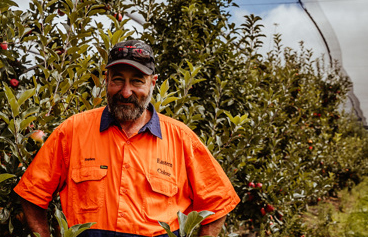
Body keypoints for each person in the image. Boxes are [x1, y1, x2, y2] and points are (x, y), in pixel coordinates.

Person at [13, 40, 240, 237]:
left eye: (137, 81)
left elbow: (217, 204)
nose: (126, 92)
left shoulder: (181, 139)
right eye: (118, 79)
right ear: (106, 80)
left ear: (153, 83)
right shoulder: (73, 131)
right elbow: (32, 194)